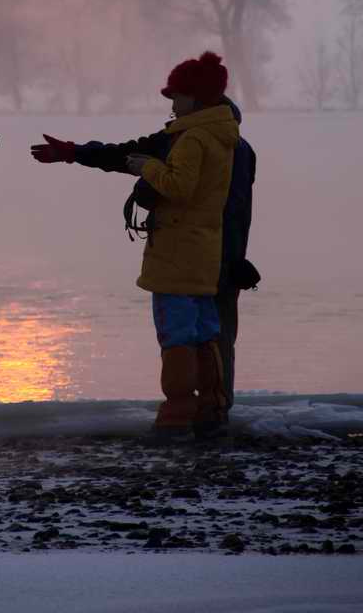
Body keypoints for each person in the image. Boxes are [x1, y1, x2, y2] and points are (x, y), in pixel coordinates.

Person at [31, 51, 240, 440]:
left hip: (176, 252)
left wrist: (146, 168)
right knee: (204, 331)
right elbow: (129, 151)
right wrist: (76, 153)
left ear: (196, 97)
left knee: (175, 333)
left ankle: (176, 415)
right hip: (205, 252)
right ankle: (209, 409)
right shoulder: (220, 135)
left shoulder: (192, 139)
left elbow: (178, 185)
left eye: (176, 96)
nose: (172, 104)